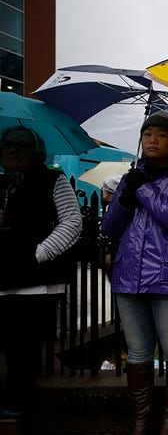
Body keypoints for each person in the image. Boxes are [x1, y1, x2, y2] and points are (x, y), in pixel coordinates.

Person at [102, 111, 168, 435]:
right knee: (137, 351)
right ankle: (141, 419)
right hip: (128, 274)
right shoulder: (132, 177)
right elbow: (110, 227)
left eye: (161, 134)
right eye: (147, 134)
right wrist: (125, 196)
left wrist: (144, 190)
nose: (152, 140)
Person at [0, 126, 82, 420]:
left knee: (23, 342)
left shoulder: (52, 180)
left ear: (35, 151)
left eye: (20, 146)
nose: (12, 151)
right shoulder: (2, 185)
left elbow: (72, 221)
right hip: (5, 275)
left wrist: (38, 253)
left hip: (37, 278)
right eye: (7, 145)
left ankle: (16, 402)